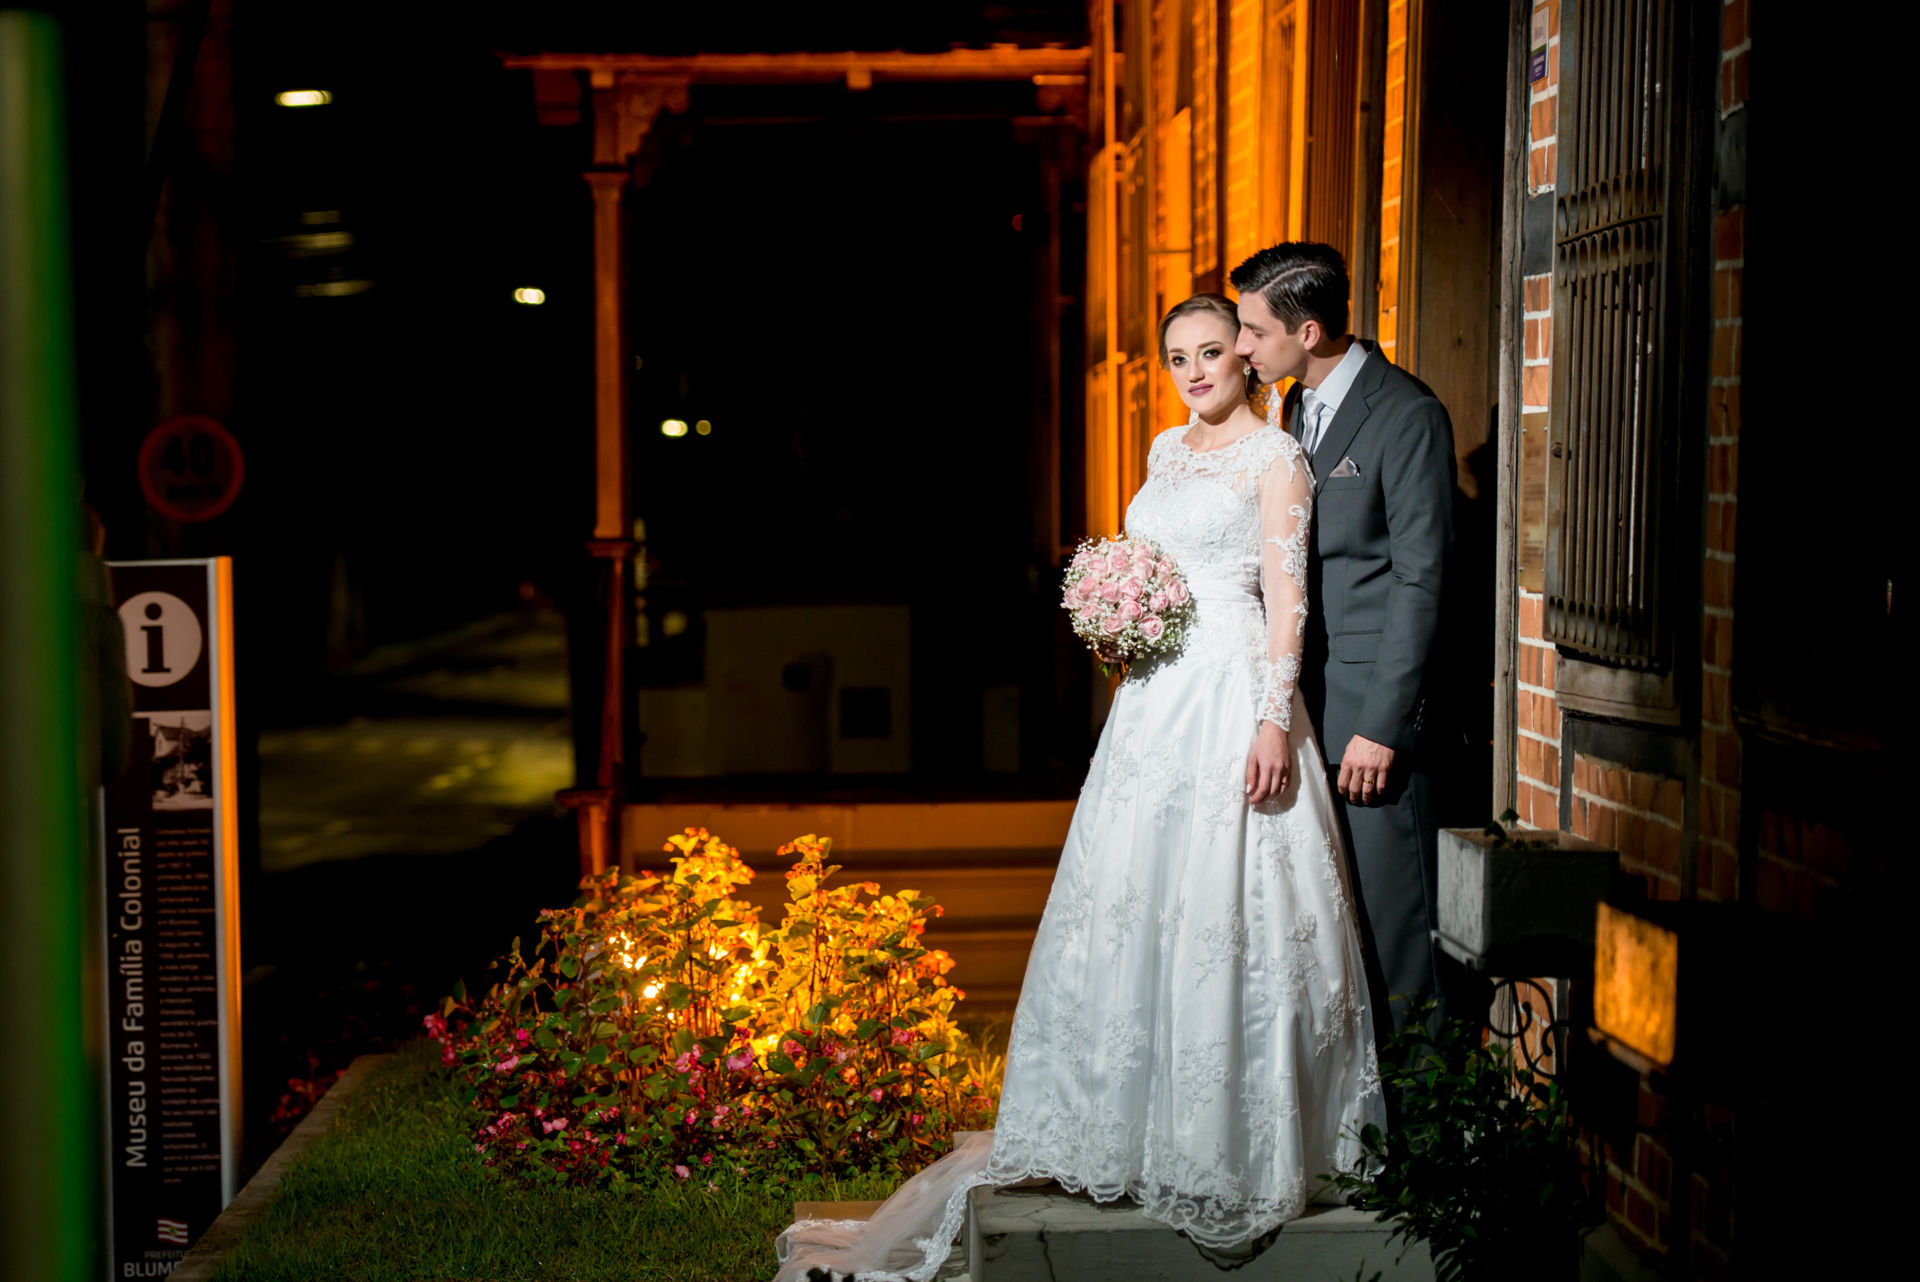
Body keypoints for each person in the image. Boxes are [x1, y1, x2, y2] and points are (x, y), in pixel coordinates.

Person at [773, 293, 1384, 1281]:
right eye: (1178, 356)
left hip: (1231, 687)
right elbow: (1150, 565)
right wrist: (1117, 618)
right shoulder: (1162, 451)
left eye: (1213, 352)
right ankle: (1116, 1125)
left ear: (1246, 358)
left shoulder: (1276, 460)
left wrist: (1274, 716)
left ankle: (1222, 1133)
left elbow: (1288, 604)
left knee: (1225, 902)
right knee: (1128, 899)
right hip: (1152, 698)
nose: (1194, 371)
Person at [1231, 243, 1455, 1038]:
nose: (1243, 348)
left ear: (1311, 330)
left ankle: (1430, 1145)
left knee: (1400, 944)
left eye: (1255, 332)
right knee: (1337, 940)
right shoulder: (1293, 412)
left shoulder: (1408, 414)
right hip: (1305, 713)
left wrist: (1382, 727)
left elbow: (1421, 581)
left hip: (1370, 728)